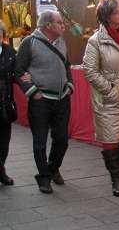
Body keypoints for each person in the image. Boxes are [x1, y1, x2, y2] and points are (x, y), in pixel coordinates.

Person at [82, 0, 119, 197]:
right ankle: (116, 177)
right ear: (107, 16)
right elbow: (90, 71)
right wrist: (109, 89)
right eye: (117, 11)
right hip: (108, 95)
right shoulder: (95, 41)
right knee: (110, 138)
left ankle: (117, 167)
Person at [15, 10, 73, 194]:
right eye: (59, 23)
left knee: (62, 139)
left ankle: (53, 167)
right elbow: (18, 70)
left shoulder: (62, 42)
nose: (63, 26)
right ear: (48, 25)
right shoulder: (29, 42)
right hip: (41, 100)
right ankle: (44, 177)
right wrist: (33, 92)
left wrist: (70, 84)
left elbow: (66, 65)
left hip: (62, 98)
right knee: (40, 141)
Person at [0, 22, 16, 186]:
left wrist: (27, 79)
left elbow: (17, 72)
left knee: (4, 142)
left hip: (5, 103)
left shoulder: (9, 51)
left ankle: (1, 168)